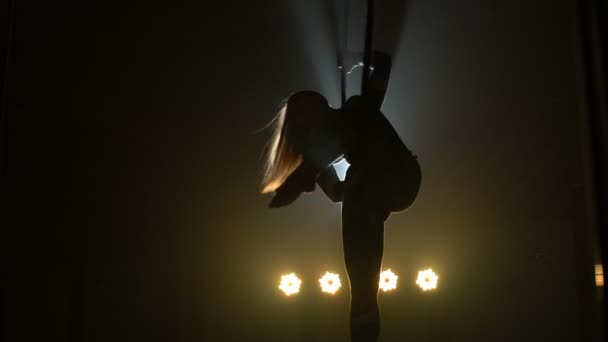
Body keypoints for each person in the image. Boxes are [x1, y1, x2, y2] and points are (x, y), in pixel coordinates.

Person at [260, 57, 421, 342]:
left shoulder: (354, 112)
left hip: (397, 178)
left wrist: (369, 62)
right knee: (362, 283)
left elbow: (376, 90)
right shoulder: (326, 142)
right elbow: (336, 193)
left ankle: (363, 306)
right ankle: (363, 316)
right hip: (378, 190)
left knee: (362, 278)